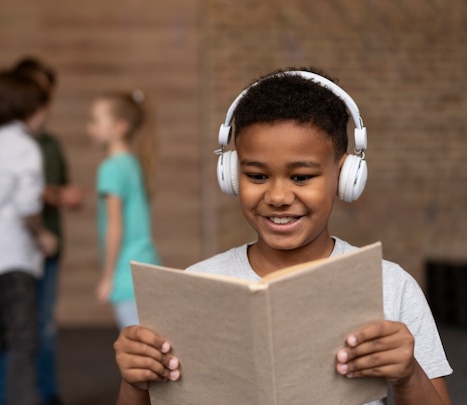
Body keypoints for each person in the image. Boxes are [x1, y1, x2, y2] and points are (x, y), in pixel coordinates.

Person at [113, 69, 453, 405]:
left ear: (345, 175)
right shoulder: (197, 285)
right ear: (231, 175)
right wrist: (135, 384)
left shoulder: (390, 286)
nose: (277, 196)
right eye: (257, 175)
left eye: (302, 177)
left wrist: (409, 375)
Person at [0, 57, 84, 405]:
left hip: (48, 248)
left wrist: (64, 196)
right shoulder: (9, 144)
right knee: (14, 330)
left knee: (44, 326)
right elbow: (21, 194)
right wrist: (57, 195)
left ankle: (46, 394)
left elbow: (52, 187)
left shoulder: (50, 144)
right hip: (18, 251)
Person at [0, 68, 57, 405]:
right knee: (24, 342)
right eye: (44, 107)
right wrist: (42, 235)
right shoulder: (24, 147)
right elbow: (27, 205)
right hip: (12, 258)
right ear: (31, 107)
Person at [87, 90, 161, 329]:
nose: (90, 128)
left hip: (127, 275)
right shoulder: (132, 163)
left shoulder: (110, 168)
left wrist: (108, 277)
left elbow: (114, 226)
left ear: (120, 127)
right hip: (147, 267)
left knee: (138, 355)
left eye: (96, 121)